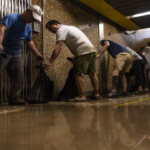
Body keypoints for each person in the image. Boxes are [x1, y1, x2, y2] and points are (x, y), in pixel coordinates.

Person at [43, 20, 100, 102]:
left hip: (82, 50)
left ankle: (82, 96)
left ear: (56, 24)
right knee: (91, 73)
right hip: (91, 50)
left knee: (78, 74)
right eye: (49, 30)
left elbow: (58, 47)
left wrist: (50, 61)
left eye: (51, 28)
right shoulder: (70, 27)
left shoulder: (61, 30)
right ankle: (96, 93)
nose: (51, 31)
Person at [0, 5, 44, 105]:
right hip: (3, 52)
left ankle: (14, 98)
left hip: (16, 53)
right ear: (28, 11)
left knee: (19, 75)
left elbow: (30, 42)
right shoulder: (12, 17)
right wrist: (0, 43)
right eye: (32, 17)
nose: (33, 20)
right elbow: (1, 28)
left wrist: (37, 54)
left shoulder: (28, 27)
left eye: (35, 19)